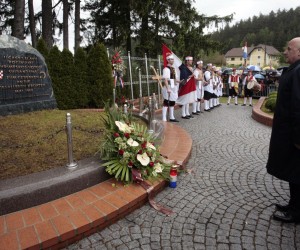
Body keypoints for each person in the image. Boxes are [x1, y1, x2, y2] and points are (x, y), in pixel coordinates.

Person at [266, 37, 300, 223]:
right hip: (288, 134)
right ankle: (293, 204)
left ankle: (296, 212)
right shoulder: (295, 69)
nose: (285, 52)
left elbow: (298, 105)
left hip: (294, 136)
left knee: (296, 173)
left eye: (289, 48)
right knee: (293, 172)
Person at [161, 53, 179, 122]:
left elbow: (175, 79)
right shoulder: (166, 69)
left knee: (172, 102)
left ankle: (172, 117)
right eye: (171, 59)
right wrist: (168, 88)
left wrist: (180, 81)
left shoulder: (173, 69)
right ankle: (164, 118)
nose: (172, 60)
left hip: (174, 87)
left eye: (173, 59)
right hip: (168, 87)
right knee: (166, 102)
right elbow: (165, 79)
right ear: (168, 60)